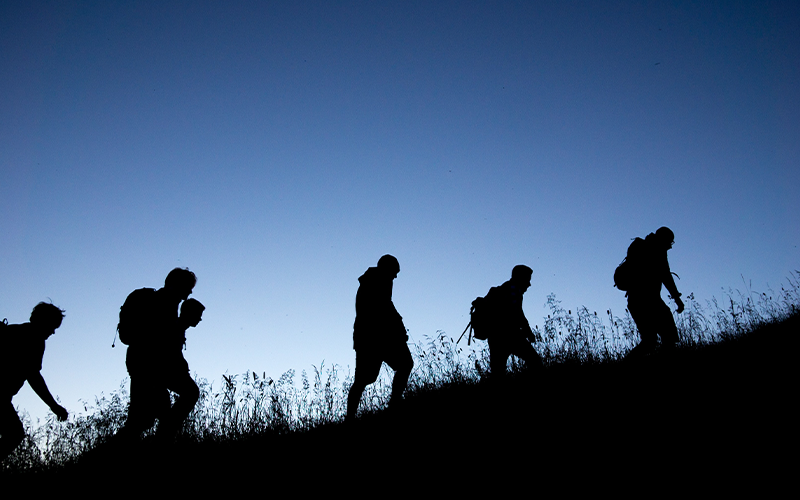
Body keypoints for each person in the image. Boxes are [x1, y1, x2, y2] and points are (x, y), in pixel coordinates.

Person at [117, 267, 198, 442]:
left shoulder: (165, 300)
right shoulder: (167, 301)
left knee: (143, 419)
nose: (190, 291)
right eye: (189, 286)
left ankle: (158, 440)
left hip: (139, 362)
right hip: (150, 366)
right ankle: (161, 441)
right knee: (189, 393)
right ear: (179, 284)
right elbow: (163, 342)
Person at [346, 255, 413, 420]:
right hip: (375, 338)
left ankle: (352, 417)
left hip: (374, 337)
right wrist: (398, 327)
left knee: (402, 365)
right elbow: (383, 308)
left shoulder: (375, 280)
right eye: (394, 272)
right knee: (364, 379)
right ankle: (352, 417)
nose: (396, 276)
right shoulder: (376, 281)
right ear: (387, 268)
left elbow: (386, 306)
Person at [1, 303, 69, 461]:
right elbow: (33, 375)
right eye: (53, 326)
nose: (52, 332)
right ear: (43, 321)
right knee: (14, 434)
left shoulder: (13, 330)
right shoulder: (33, 339)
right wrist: (54, 405)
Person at [624, 227, 685, 360]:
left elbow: (665, 276)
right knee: (661, 339)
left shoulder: (640, 246)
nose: (670, 246)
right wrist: (677, 299)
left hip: (638, 300)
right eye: (670, 242)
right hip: (646, 301)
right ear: (663, 239)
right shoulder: (656, 251)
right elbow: (666, 277)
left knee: (652, 341)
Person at [485, 265, 543, 377]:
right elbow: (517, 313)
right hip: (510, 336)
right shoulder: (513, 290)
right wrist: (528, 332)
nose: (529, 284)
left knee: (498, 373)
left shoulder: (505, 289)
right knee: (535, 361)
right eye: (528, 279)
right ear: (520, 277)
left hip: (495, 337)